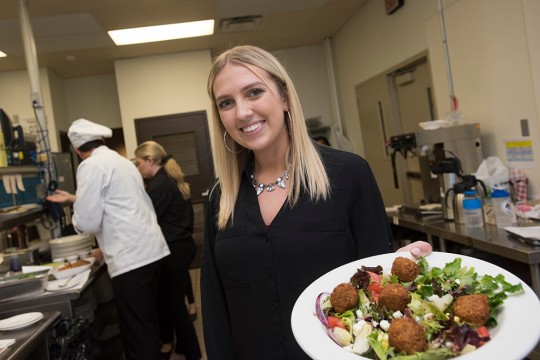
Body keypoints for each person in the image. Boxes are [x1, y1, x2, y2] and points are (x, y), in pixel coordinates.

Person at [201, 45, 432, 360]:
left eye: (254, 92)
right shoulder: (221, 197)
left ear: (284, 97)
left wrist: (401, 272)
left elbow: (375, 283)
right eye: (226, 103)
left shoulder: (349, 174)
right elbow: (215, 308)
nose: (241, 112)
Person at [47, 119, 170, 360]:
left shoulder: (90, 166)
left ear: (77, 150)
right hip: (152, 251)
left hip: (131, 258)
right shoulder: (122, 162)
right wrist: (76, 199)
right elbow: (119, 204)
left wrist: (77, 216)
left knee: (136, 330)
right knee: (147, 321)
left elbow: (88, 221)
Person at [134, 141, 202, 360]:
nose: (138, 169)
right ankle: (181, 346)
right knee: (170, 301)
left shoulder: (158, 185)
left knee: (174, 306)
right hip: (181, 246)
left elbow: (146, 219)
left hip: (174, 250)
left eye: (138, 163)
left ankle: (193, 352)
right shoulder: (166, 179)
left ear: (149, 160)